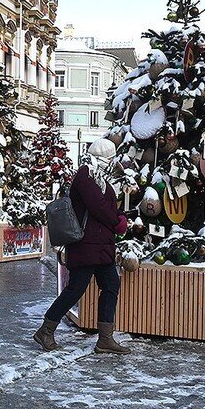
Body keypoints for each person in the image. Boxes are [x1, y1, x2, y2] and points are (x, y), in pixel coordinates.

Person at [34, 138, 130, 354]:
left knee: (111, 285)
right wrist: (118, 221)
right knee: (75, 289)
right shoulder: (86, 176)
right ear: (103, 157)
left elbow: (106, 206)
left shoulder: (100, 178)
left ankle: (105, 338)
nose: (113, 161)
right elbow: (99, 207)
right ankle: (45, 330)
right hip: (87, 245)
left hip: (100, 245)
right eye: (111, 157)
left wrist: (118, 216)